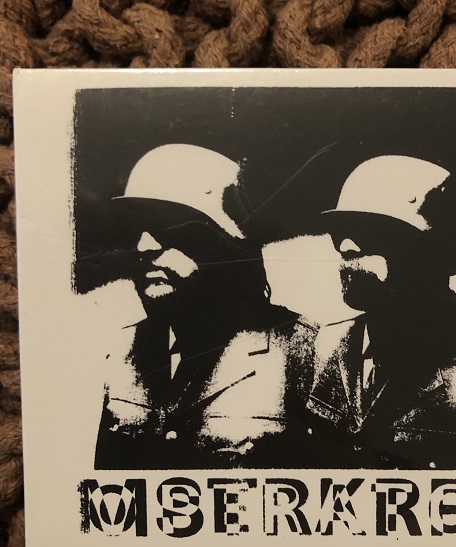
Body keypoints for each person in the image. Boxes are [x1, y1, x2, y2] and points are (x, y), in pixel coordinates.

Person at [94, 144, 315, 470]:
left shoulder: (302, 348)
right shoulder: (118, 348)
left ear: (227, 243)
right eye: (135, 228)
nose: (144, 245)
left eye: (167, 227)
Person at [300, 155, 456, 470]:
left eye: (371, 230)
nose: (346, 247)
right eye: (339, 231)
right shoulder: (323, 345)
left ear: (434, 248)